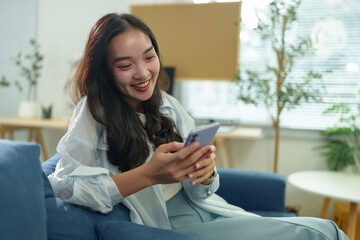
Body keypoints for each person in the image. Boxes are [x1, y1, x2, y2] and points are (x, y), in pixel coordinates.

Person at [49, 13, 349, 240]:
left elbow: (202, 194)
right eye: (125, 65)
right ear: (106, 71)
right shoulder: (93, 113)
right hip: (169, 225)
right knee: (325, 232)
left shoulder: (166, 105)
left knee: (325, 230)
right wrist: (148, 174)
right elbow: (65, 187)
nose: (143, 73)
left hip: (210, 210)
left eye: (149, 57)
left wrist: (205, 174)